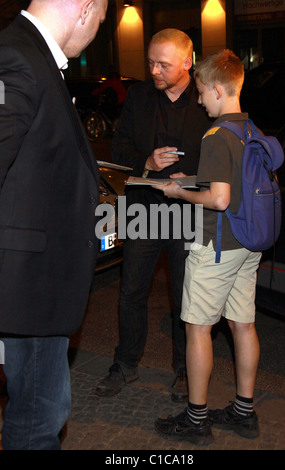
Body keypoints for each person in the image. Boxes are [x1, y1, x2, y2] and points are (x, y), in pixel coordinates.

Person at [0, 0, 108, 450]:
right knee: (38, 420)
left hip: (35, 288)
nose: (96, 31)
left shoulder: (32, 56)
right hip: (29, 287)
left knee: (41, 411)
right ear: (85, 9)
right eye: (101, 20)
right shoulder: (17, 57)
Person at [95, 29, 211, 402]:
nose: (154, 70)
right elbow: (119, 148)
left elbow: (222, 156)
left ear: (187, 63)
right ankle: (125, 365)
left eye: (163, 64)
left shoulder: (206, 98)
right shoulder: (140, 97)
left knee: (185, 296)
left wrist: (192, 179)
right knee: (131, 291)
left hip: (189, 210)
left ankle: (183, 368)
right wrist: (145, 162)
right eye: (150, 62)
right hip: (145, 207)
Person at [154, 49, 262, 446]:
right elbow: (228, 182)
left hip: (216, 245)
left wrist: (180, 190)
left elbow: (218, 199)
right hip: (248, 245)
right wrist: (196, 176)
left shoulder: (216, 134)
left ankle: (196, 420)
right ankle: (243, 412)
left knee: (197, 329)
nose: (199, 100)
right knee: (243, 325)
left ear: (218, 89)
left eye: (201, 93)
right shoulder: (249, 128)